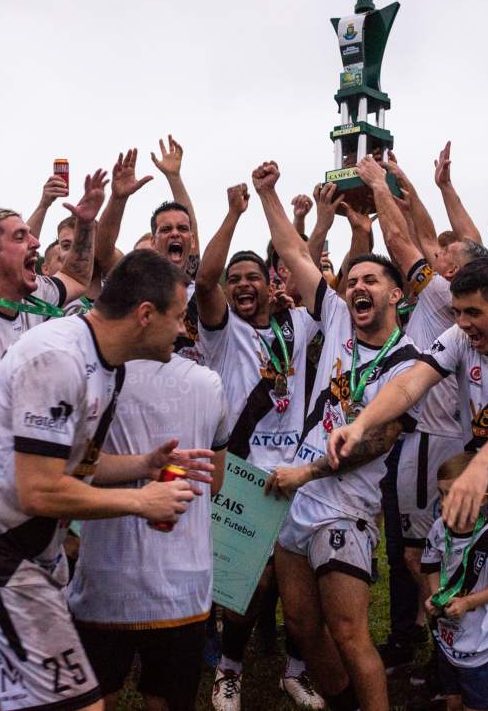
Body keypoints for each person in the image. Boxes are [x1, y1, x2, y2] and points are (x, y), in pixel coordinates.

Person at [0, 249, 206, 711]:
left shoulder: (109, 363)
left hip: (24, 551)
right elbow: (39, 491)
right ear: (145, 314)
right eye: (179, 317)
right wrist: (141, 502)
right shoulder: (59, 358)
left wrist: (143, 466)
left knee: (0, 700)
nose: (183, 329)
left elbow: (71, 467)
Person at [329, 257, 488, 711]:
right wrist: (360, 424)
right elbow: (410, 385)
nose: (462, 323)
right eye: (457, 312)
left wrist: (481, 464)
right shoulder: (460, 339)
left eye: (472, 313)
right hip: (479, 519)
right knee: (466, 626)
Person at [254, 160, 421, 711]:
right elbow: (294, 254)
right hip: (298, 500)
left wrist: (305, 473)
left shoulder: (406, 362)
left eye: (371, 280)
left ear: (396, 295)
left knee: (349, 634)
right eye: (351, 282)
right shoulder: (338, 321)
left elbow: (375, 442)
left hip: (344, 509)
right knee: (303, 627)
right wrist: (268, 194)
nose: (357, 287)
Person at [193, 182, 325, 710]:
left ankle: (296, 671)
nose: (243, 284)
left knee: (302, 583)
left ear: (272, 285)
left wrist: (320, 222)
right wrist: (232, 214)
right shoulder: (222, 331)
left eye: (253, 277)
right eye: (236, 280)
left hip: (299, 473)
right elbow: (204, 279)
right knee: (250, 583)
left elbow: (310, 271)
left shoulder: (298, 323)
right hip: (245, 474)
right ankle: (229, 670)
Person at [358, 152, 488, 670]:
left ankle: (452, 645)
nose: (435, 251)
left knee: (419, 555)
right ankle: (437, 638)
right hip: (448, 436)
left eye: (444, 253)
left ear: (452, 269)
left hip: (430, 438)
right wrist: (412, 189)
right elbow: (423, 236)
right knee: (436, 546)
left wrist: (377, 183)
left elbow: (398, 241)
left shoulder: (439, 293)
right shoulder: (456, 297)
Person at [68, 353, 228, 711]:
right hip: (182, 583)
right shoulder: (209, 383)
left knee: (95, 696)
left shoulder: (93, 376)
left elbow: (70, 467)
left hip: (106, 575)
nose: (180, 327)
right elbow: (214, 482)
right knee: (168, 698)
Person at [0, 169, 103, 495]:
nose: (36, 243)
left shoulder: (33, 296)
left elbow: (77, 279)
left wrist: (86, 225)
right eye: (21, 237)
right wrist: (24, 390)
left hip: (15, 484)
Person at [421, 452, 488, 711]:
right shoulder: (439, 529)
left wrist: (467, 602)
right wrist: (436, 595)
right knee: (453, 701)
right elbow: (431, 566)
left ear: (482, 499)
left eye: (453, 494)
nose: (444, 502)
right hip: (448, 640)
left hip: (481, 645)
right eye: (442, 494)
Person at [96, 147, 204, 363]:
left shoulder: (200, 291)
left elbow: (191, 226)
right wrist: (118, 198)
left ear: (191, 241)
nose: (175, 233)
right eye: (166, 229)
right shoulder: (135, 283)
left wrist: (174, 178)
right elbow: (104, 251)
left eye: (182, 230)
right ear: (154, 242)